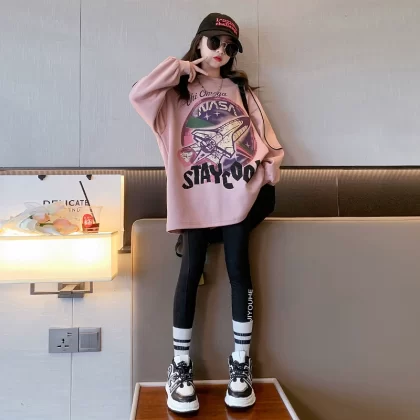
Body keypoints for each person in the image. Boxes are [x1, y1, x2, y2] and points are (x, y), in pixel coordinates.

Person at [129, 12, 284, 414]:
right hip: (193, 198)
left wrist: (267, 171)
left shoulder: (239, 89)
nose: (221, 52)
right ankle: (180, 366)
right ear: (199, 41)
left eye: (229, 47)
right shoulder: (174, 91)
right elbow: (138, 95)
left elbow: (267, 138)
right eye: (214, 42)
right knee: (190, 272)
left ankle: (241, 365)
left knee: (239, 271)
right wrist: (177, 68)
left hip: (237, 197)